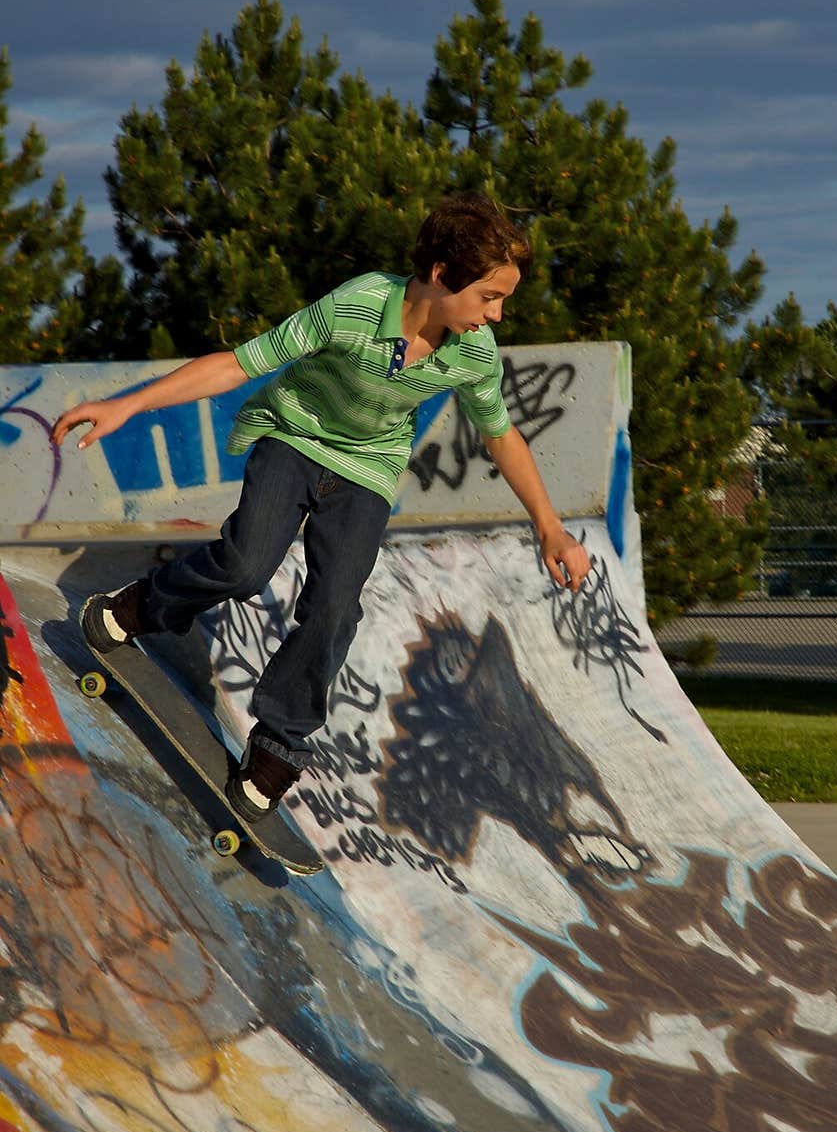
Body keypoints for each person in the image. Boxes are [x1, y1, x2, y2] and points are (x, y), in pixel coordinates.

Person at [51, 193, 590, 827]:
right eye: (488, 298)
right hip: (294, 438)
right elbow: (237, 364)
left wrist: (550, 527)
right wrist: (126, 405)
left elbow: (500, 434)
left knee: (336, 605)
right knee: (245, 567)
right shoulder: (357, 305)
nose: (496, 316)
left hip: (368, 471)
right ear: (442, 274)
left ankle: (279, 740)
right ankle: (143, 606)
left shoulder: (473, 355)